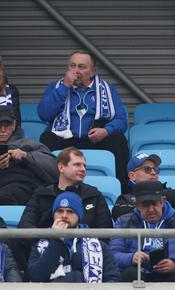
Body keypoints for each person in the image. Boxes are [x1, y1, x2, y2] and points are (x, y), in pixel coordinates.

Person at [38, 50, 129, 190]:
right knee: (47, 138)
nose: (76, 71)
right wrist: (65, 87)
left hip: (95, 140)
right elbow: (44, 114)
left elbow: (122, 120)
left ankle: (123, 193)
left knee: (118, 139)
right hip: (66, 140)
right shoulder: (56, 87)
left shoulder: (107, 89)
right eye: (72, 66)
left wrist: (105, 131)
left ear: (92, 71)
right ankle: (47, 190)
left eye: (81, 67)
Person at [111, 180, 175, 282]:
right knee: (130, 274)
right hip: (140, 272)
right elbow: (113, 254)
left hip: (172, 273)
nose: (151, 209)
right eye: (145, 205)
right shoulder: (123, 222)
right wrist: (131, 258)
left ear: (162, 201)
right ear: (137, 205)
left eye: (154, 203)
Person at [28, 192, 120, 282]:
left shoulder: (99, 246)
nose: (64, 216)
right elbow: (36, 277)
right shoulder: (41, 245)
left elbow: (112, 278)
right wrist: (56, 240)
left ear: (79, 215)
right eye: (59, 211)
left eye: (70, 211)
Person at [19, 147, 112, 229]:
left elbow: (105, 231)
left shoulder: (94, 195)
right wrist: (48, 239)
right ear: (61, 167)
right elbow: (25, 227)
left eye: (84, 165)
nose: (83, 169)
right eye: (77, 165)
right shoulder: (42, 194)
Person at [111, 152, 175, 220]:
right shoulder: (124, 199)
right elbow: (121, 216)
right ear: (132, 176)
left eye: (156, 169)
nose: (153, 172)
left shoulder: (172, 194)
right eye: (147, 169)